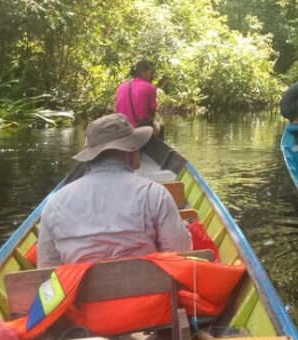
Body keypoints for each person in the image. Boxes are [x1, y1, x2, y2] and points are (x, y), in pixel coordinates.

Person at [37, 113, 191, 268]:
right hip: (144, 289)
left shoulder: (55, 203)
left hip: (81, 291)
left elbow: (45, 270)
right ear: (130, 150)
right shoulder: (154, 194)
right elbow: (181, 253)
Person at [115, 60, 158, 131]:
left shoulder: (122, 86)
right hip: (139, 129)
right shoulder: (150, 87)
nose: (153, 76)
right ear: (142, 73)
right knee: (158, 125)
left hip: (121, 128)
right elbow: (151, 113)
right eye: (151, 73)